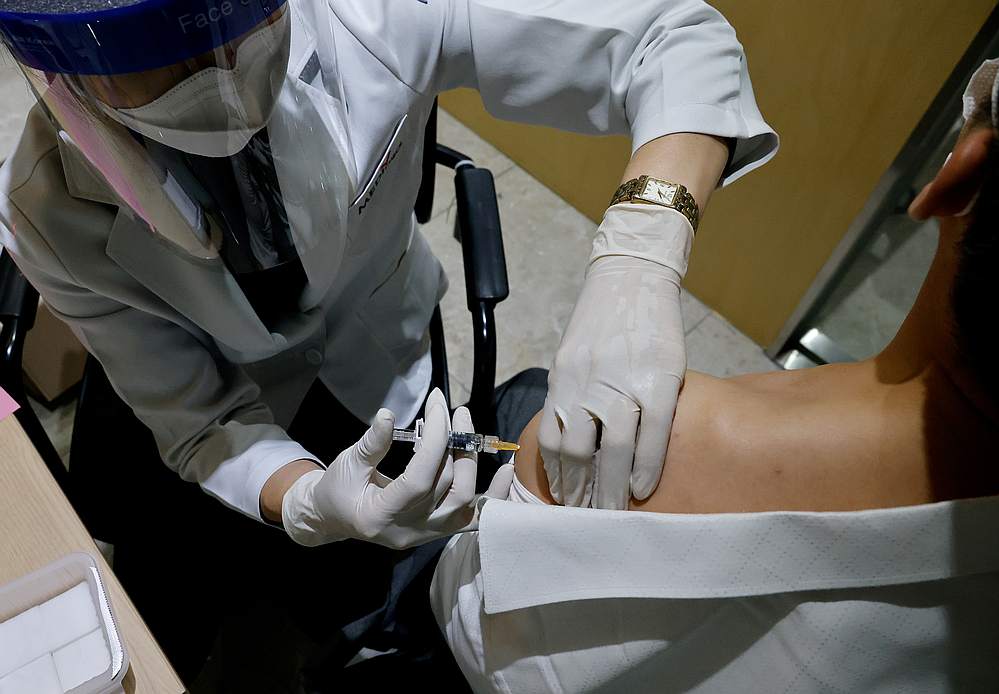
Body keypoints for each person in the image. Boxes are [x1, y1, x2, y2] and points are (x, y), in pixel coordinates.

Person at [0, 0, 774, 681]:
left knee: (374, 580)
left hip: (382, 352)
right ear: (64, 74)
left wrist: (641, 250)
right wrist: (303, 501)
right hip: (224, 404)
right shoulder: (45, 207)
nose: (214, 77)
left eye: (229, 34)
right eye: (153, 70)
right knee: (200, 598)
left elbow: (675, 38)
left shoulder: (375, 10)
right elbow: (201, 421)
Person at [430, 59, 999, 693]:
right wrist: (640, 248)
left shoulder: (650, 437)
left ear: (959, 173)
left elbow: (466, 615)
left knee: (526, 404)